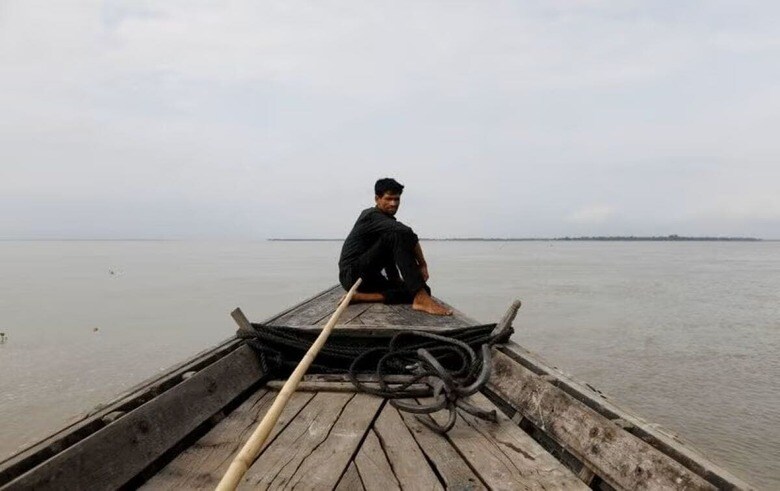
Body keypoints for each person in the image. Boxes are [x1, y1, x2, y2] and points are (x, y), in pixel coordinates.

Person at [338, 178, 452, 315]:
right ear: (377, 199)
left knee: (423, 289)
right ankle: (420, 298)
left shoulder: (386, 221)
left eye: (397, 199)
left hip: (370, 278)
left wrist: (396, 280)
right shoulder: (370, 216)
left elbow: (387, 250)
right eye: (388, 199)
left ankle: (362, 297)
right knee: (397, 234)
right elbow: (406, 232)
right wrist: (422, 264)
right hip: (352, 275)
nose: (393, 203)